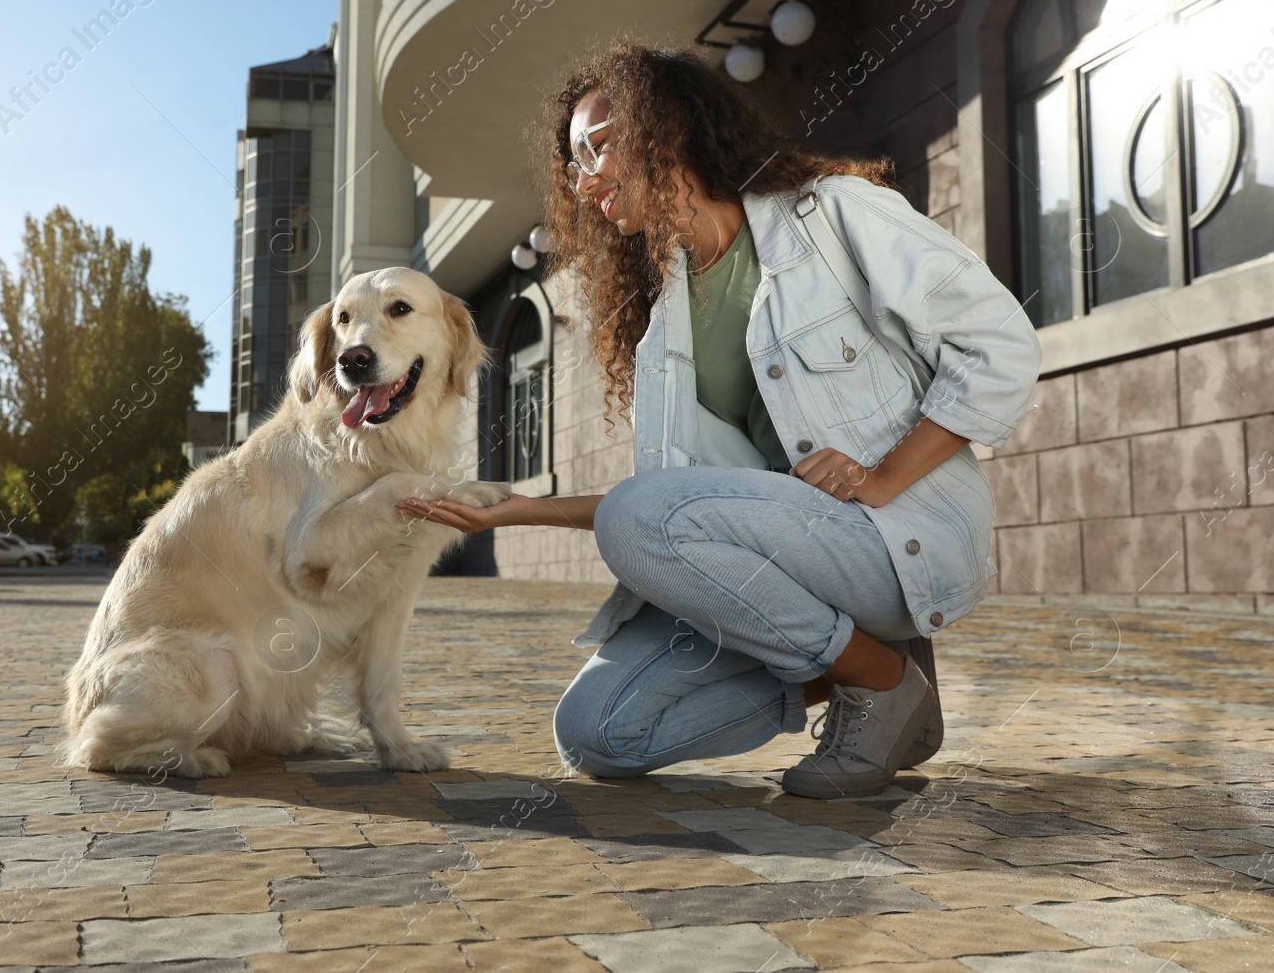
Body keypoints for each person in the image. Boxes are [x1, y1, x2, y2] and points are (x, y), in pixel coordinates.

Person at [396, 39, 1043, 799]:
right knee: (596, 732)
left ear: (666, 128)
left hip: (888, 541)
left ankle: (879, 680)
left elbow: (998, 342)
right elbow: (675, 509)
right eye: (574, 163)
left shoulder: (831, 216)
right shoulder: (664, 318)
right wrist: (518, 511)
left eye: (600, 147)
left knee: (636, 521)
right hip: (785, 561)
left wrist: (883, 472)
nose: (585, 179)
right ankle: (867, 674)